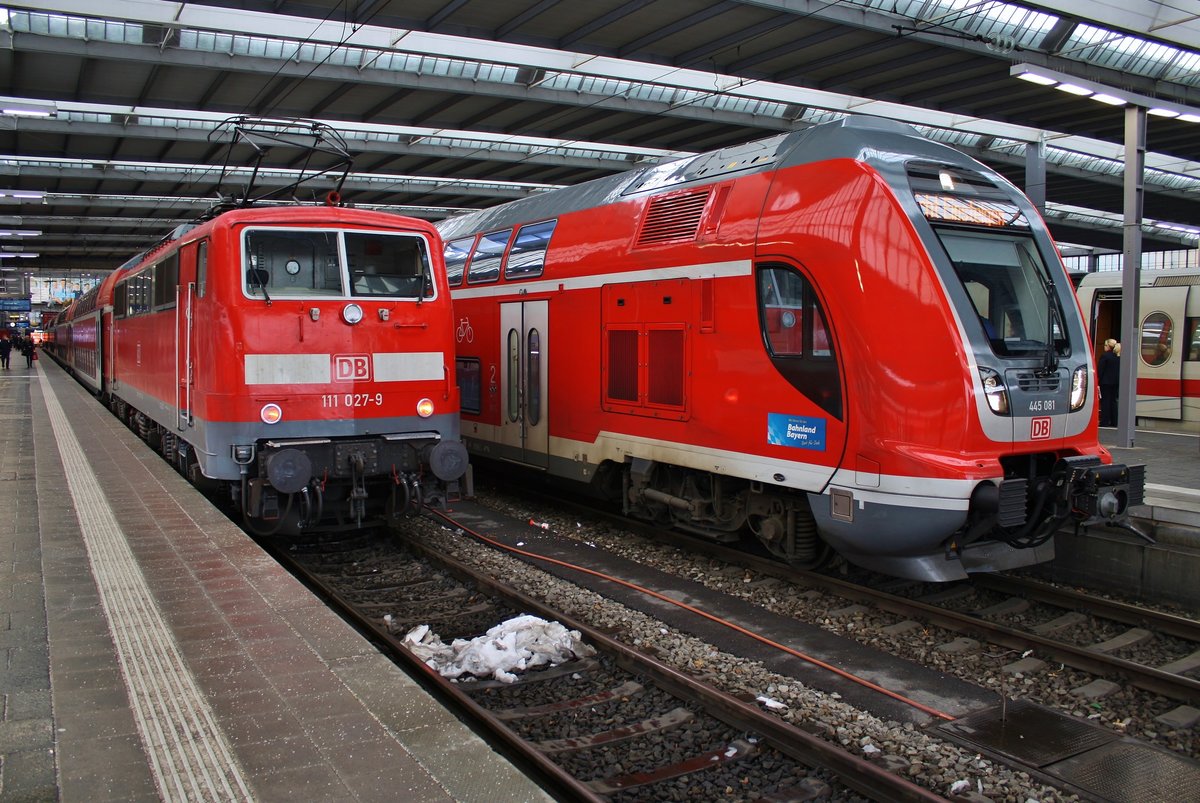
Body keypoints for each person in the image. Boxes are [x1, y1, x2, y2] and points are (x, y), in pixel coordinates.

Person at [1097, 338, 1119, 427]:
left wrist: (1099, 379)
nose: (1104, 347)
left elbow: (1100, 370)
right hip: (1116, 382)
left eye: (1105, 345)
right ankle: (1114, 421)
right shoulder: (1118, 356)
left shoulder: (1105, 356)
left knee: (1105, 401)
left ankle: (1104, 421)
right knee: (1113, 401)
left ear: (1108, 346)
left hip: (1105, 382)